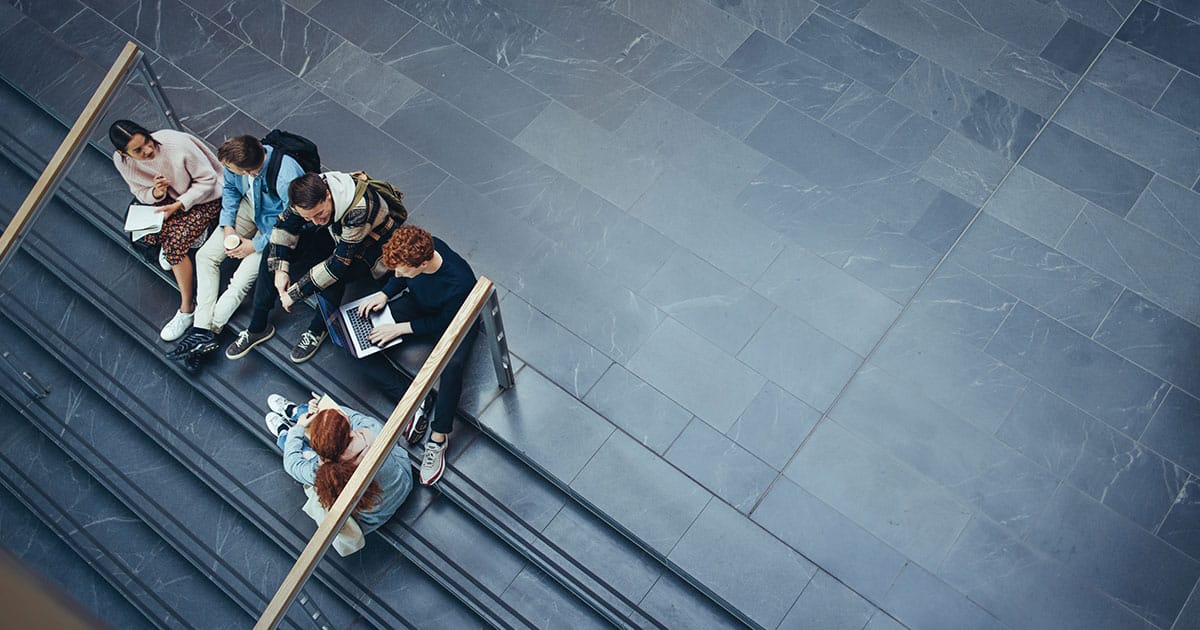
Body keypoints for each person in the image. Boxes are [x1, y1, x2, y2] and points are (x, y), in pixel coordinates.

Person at [224, 171, 400, 364]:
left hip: (369, 244)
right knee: (271, 251)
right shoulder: (305, 193)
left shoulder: (360, 209)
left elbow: (338, 264)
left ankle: (317, 329)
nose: (315, 221)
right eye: (308, 217)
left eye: (318, 214)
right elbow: (284, 225)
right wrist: (280, 269)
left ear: (328, 196)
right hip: (336, 232)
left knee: (335, 278)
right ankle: (257, 326)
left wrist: (294, 294)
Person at [168, 135, 305, 372]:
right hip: (249, 208)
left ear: (251, 171)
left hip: (274, 226)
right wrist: (228, 225)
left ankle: (207, 332)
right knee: (205, 257)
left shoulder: (286, 177)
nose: (227, 171)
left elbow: (292, 222)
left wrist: (255, 245)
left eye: (232, 169)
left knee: (240, 281)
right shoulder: (236, 160)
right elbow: (231, 189)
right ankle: (201, 330)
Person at [356, 225, 477, 486]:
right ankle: (413, 400)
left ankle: (439, 437)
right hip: (421, 306)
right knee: (359, 346)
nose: (397, 274)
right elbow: (400, 277)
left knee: (451, 366)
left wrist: (401, 328)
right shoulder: (422, 250)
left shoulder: (460, 283)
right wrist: (384, 293)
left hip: (455, 320)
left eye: (402, 270)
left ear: (422, 264)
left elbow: (445, 323)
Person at [110, 120, 222, 342]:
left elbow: (209, 180)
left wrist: (179, 204)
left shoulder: (177, 145)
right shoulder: (122, 161)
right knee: (143, 234)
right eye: (138, 150)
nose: (149, 150)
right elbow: (140, 192)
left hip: (206, 197)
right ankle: (188, 238)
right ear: (123, 153)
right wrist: (157, 193)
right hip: (169, 201)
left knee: (174, 247)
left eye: (148, 142)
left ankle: (187, 308)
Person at [264, 395, 412, 535]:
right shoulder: (373, 431)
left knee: (304, 451)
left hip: (373, 519)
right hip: (404, 483)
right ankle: (296, 413)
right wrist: (323, 406)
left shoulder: (324, 473)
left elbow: (292, 464)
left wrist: (300, 427)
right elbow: (348, 417)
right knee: (326, 420)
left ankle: (286, 432)